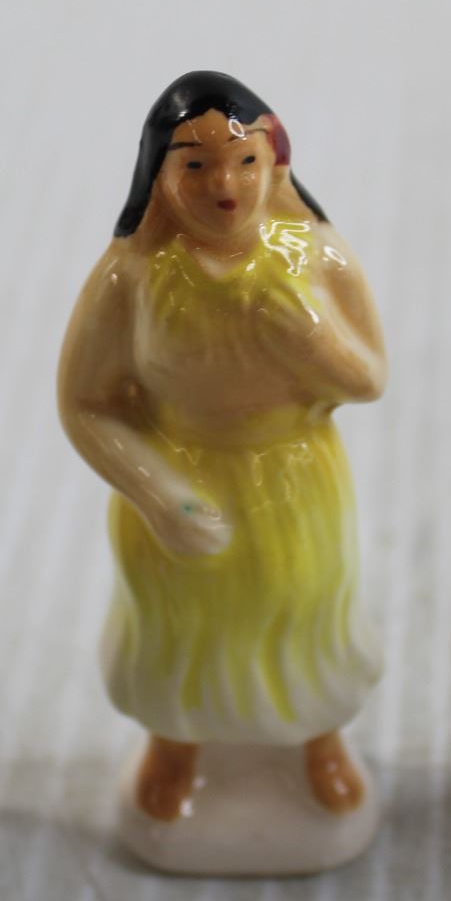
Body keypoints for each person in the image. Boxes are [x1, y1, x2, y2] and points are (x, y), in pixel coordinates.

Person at [58, 72, 387, 825]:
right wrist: (159, 494)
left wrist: (312, 339)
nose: (225, 187)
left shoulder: (318, 256)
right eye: (196, 165)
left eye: (244, 161)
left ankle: (319, 739)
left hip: (294, 476)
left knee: (305, 609)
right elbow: (85, 403)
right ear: (160, 173)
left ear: (275, 163)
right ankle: (174, 746)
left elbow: (369, 380)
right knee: (183, 628)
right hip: (182, 473)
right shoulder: (130, 275)